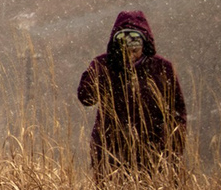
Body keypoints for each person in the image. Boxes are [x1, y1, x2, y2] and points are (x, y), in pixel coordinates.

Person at [76, 10, 186, 177]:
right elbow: (86, 98)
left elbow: (177, 113)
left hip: (155, 155)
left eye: (135, 50)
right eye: (124, 50)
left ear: (144, 45)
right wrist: (98, 72)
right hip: (111, 154)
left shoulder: (162, 69)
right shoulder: (105, 65)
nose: (130, 56)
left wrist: (173, 150)